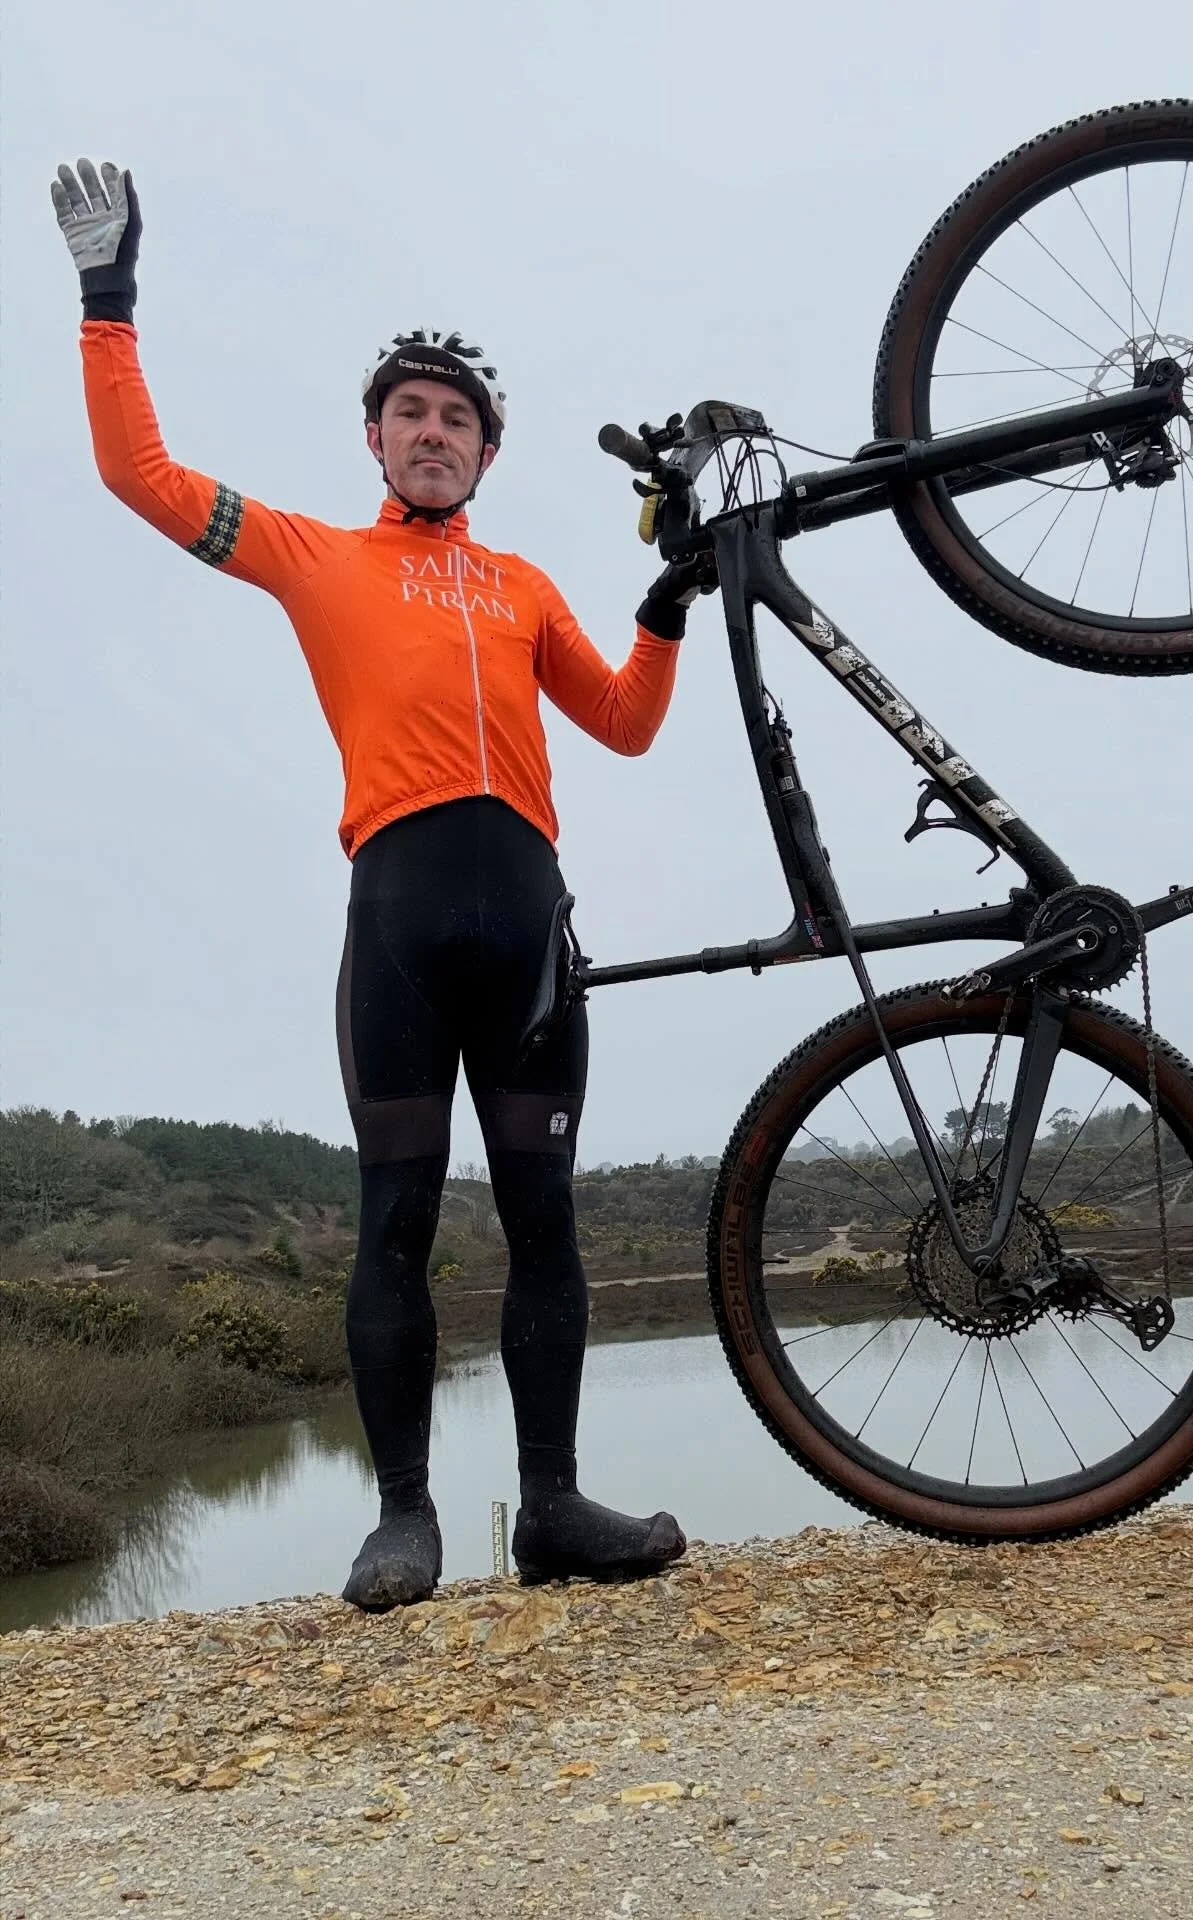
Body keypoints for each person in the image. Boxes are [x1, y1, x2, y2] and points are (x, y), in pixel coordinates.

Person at [53, 157, 709, 1609]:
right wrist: (111, 300)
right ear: (375, 438)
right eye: (410, 413)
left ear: (485, 454)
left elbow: (627, 723)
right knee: (394, 1221)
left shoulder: (527, 586)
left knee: (545, 1221)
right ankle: (403, 1515)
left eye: (457, 419)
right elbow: (139, 479)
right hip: (401, 921)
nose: (433, 432)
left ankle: (550, 1511)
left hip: (533, 927)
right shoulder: (317, 556)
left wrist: (662, 612)